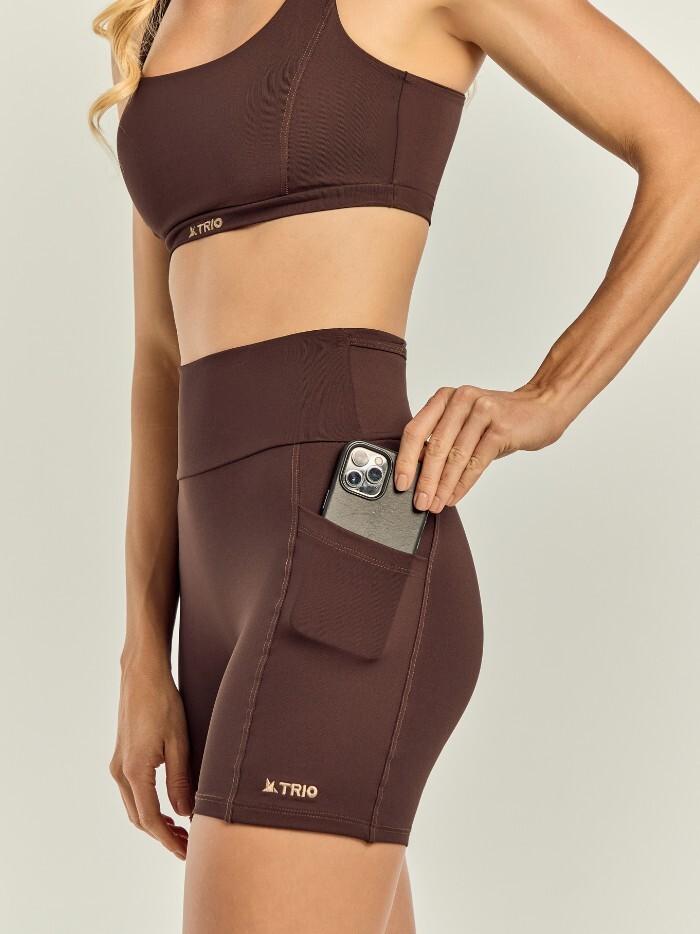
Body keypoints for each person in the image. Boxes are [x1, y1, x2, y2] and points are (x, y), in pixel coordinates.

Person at [89, 0, 700, 930]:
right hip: (215, 604)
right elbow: (160, 357)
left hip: (345, 552)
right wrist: (143, 650)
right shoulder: (153, 24)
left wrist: (551, 394)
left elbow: (684, 147)